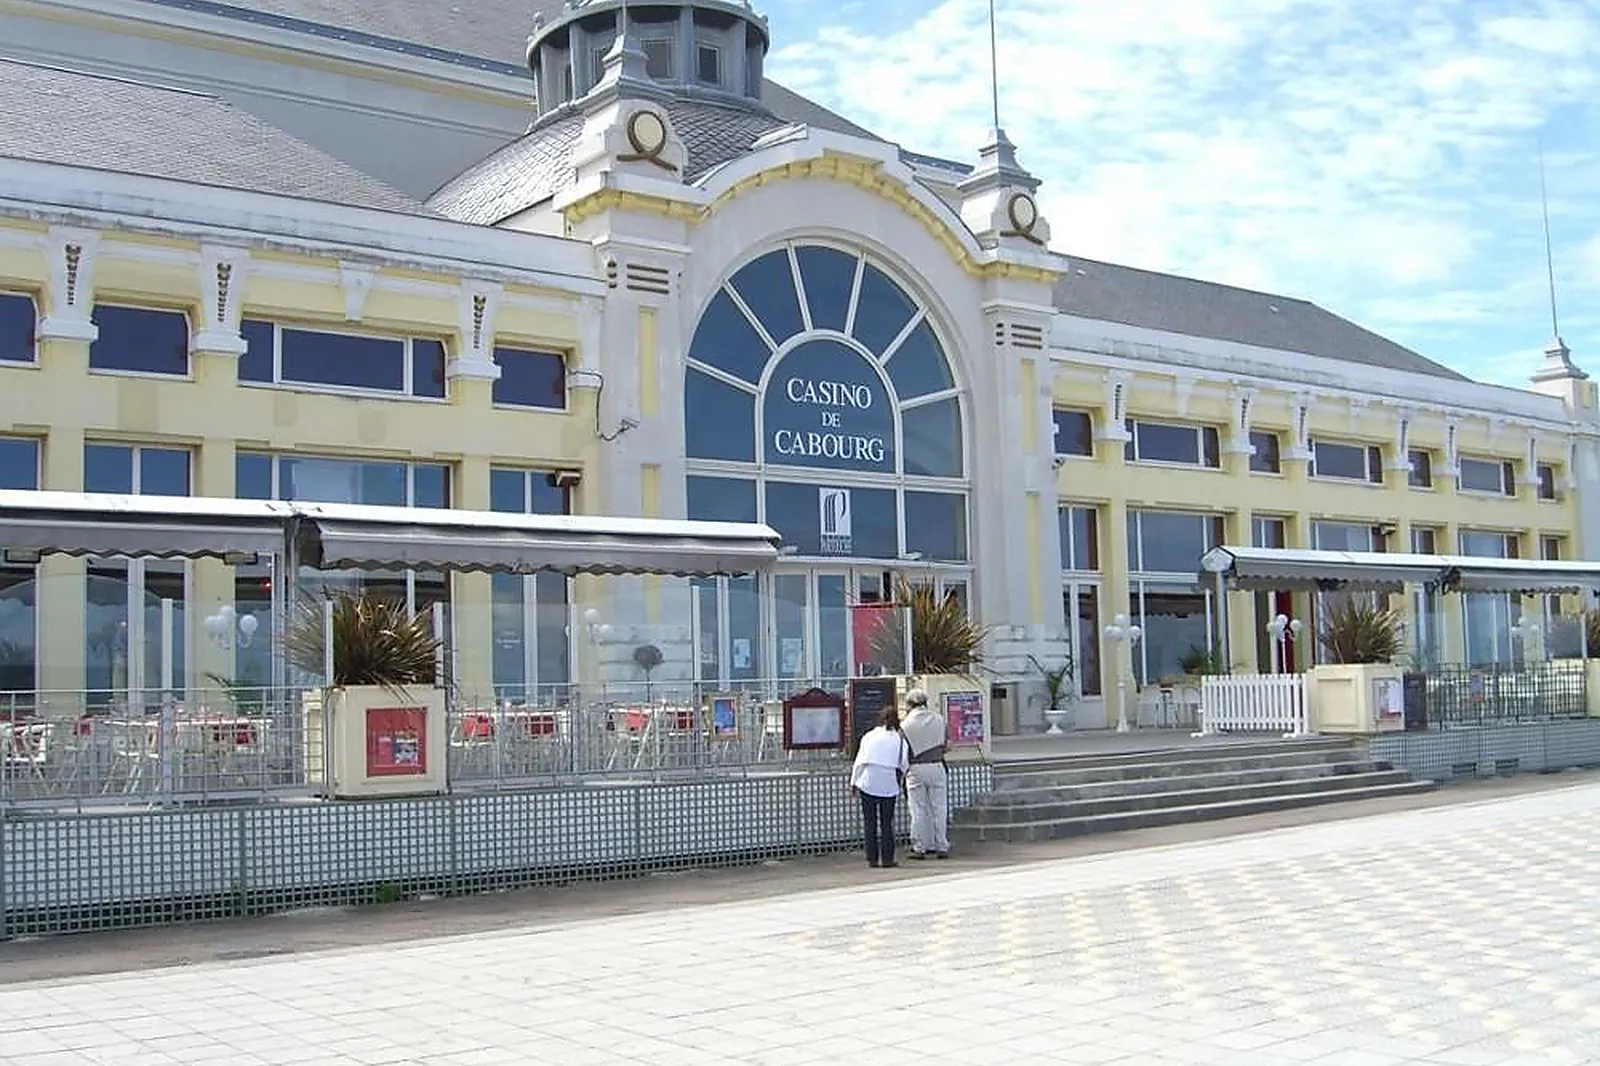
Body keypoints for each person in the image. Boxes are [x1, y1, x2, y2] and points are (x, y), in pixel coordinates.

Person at [849, 706, 909, 868]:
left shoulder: (869, 736)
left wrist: (854, 782)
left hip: (867, 781)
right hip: (888, 784)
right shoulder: (900, 739)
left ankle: (872, 858)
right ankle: (887, 858)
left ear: (880, 719)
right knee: (886, 823)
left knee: (870, 823)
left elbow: (859, 761)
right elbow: (904, 764)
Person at [900, 688, 950, 860]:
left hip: (915, 769)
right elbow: (947, 746)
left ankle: (920, 846)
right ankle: (941, 845)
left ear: (909, 705)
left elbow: (903, 753)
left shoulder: (905, 725)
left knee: (918, 809)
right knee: (940, 808)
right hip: (937, 766)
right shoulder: (939, 719)